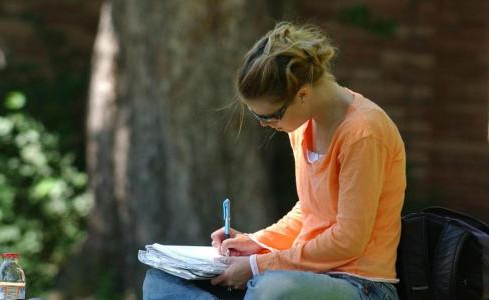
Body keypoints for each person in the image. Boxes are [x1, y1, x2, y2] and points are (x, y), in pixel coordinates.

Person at [143, 21, 405, 300]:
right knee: (161, 280)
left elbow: (348, 241)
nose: (265, 125)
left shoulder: (363, 133)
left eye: (269, 116)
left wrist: (258, 265)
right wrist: (255, 243)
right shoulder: (303, 125)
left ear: (302, 95)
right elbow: (309, 211)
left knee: (271, 290)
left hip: (359, 284)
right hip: (301, 274)